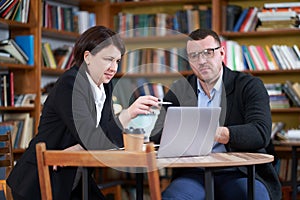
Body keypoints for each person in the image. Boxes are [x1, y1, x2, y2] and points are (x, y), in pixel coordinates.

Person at [7, 26, 160, 200]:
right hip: (41, 181)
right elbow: (96, 139)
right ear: (88, 57)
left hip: (75, 176)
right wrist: (128, 113)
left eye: (117, 61)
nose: (113, 67)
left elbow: (105, 136)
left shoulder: (106, 85)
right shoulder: (70, 83)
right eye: (108, 59)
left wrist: (77, 149)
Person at [150, 29, 281, 200]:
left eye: (208, 53)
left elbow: (260, 133)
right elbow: (157, 135)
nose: (201, 61)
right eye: (194, 55)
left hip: (238, 170)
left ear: (221, 53)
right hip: (193, 173)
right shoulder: (180, 89)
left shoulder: (249, 85)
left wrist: (215, 132)